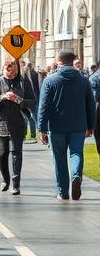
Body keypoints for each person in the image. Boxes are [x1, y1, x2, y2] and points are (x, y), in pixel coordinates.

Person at [38, 50, 96, 201]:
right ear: (73, 61)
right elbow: (90, 104)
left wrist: (42, 128)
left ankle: (62, 191)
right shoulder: (84, 80)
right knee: (76, 153)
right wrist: (91, 125)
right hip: (78, 125)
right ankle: (76, 175)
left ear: (58, 61)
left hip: (57, 126)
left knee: (59, 158)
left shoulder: (50, 80)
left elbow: (43, 106)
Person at [0, 58, 36, 195]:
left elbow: (32, 102)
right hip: (0, 123)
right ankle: (5, 179)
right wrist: (3, 97)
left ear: (17, 70)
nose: (11, 74)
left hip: (18, 123)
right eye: (8, 72)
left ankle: (16, 184)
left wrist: (19, 100)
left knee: (16, 153)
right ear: (3, 69)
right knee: (2, 153)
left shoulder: (24, 82)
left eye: (13, 72)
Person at [22, 60, 40, 141]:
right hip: (29, 99)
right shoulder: (24, 75)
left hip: (30, 99)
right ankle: (29, 134)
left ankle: (30, 134)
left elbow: (36, 86)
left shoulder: (32, 74)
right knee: (31, 117)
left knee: (32, 117)